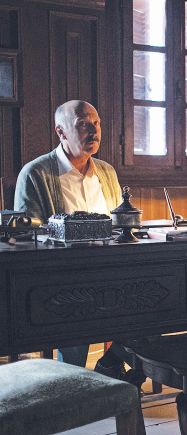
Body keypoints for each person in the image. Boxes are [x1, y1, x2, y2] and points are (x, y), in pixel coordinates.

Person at [14, 100, 128, 377]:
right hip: (62, 276)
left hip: (110, 270)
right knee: (78, 313)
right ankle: (73, 383)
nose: (94, 131)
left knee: (149, 304)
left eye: (96, 123)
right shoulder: (36, 173)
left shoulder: (106, 172)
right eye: (83, 124)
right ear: (61, 131)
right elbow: (25, 237)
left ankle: (110, 366)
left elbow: (118, 224)